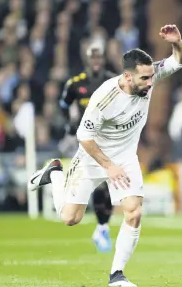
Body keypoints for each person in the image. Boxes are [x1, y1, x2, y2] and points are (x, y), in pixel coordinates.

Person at [28, 25, 182, 287]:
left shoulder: (150, 75)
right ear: (127, 76)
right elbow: (84, 137)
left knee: (133, 213)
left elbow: (179, 60)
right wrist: (108, 166)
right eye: (144, 80)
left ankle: (116, 276)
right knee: (70, 218)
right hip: (93, 157)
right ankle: (55, 173)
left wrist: (177, 43)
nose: (150, 84)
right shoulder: (104, 98)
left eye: (150, 78)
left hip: (125, 157)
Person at [59, 42, 117, 252]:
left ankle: (102, 227)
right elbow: (64, 105)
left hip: (107, 139)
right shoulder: (76, 83)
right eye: (92, 58)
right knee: (97, 182)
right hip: (85, 140)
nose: (96, 61)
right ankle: (101, 227)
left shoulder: (113, 80)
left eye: (99, 57)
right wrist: (70, 125)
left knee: (108, 183)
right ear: (87, 60)